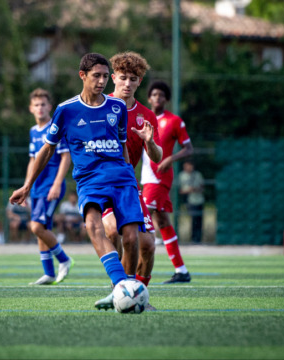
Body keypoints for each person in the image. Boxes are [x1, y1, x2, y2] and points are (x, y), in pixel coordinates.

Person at [10, 53, 144, 304]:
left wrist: (131, 178)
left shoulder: (117, 108)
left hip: (121, 177)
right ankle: (123, 288)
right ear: (82, 76)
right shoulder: (65, 110)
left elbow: (124, 146)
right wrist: (27, 185)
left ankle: (129, 287)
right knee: (93, 226)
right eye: (97, 76)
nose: (102, 81)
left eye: (106, 76)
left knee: (131, 237)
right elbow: (47, 149)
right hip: (89, 179)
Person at [95, 51, 163, 311]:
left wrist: (150, 141)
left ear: (139, 81)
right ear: (113, 78)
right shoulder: (99, 108)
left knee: (147, 245)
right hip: (102, 183)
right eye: (122, 77)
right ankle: (118, 289)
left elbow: (156, 157)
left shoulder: (146, 115)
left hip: (128, 184)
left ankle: (139, 295)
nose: (127, 83)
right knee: (112, 231)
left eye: (132, 79)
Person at [141, 80, 194, 284]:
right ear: (149, 98)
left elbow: (189, 149)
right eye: (154, 94)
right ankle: (181, 270)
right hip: (147, 176)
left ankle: (134, 272)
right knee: (162, 222)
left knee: (141, 217)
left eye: (161, 95)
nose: (157, 97)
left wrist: (170, 158)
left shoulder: (174, 121)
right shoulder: (143, 119)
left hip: (160, 177)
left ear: (166, 99)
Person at [22, 87, 73, 285]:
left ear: (50, 106)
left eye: (43, 104)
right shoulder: (33, 131)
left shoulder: (55, 127)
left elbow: (65, 157)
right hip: (36, 187)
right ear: (30, 109)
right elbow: (32, 161)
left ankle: (64, 260)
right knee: (43, 228)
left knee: (36, 226)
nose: (40, 108)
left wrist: (58, 184)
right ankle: (49, 273)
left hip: (51, 186)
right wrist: (26, 187)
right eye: (36, 105)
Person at [179, 160, 205, 244]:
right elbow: (178, 190)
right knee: (192, 220)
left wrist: (195, 189)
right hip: (188, 201)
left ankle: (197, 239)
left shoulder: (197, 175)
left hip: (198, 200)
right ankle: (190, 239)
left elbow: (202, 187)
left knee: (199, 220)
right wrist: (187, 191)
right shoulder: (181, 176)